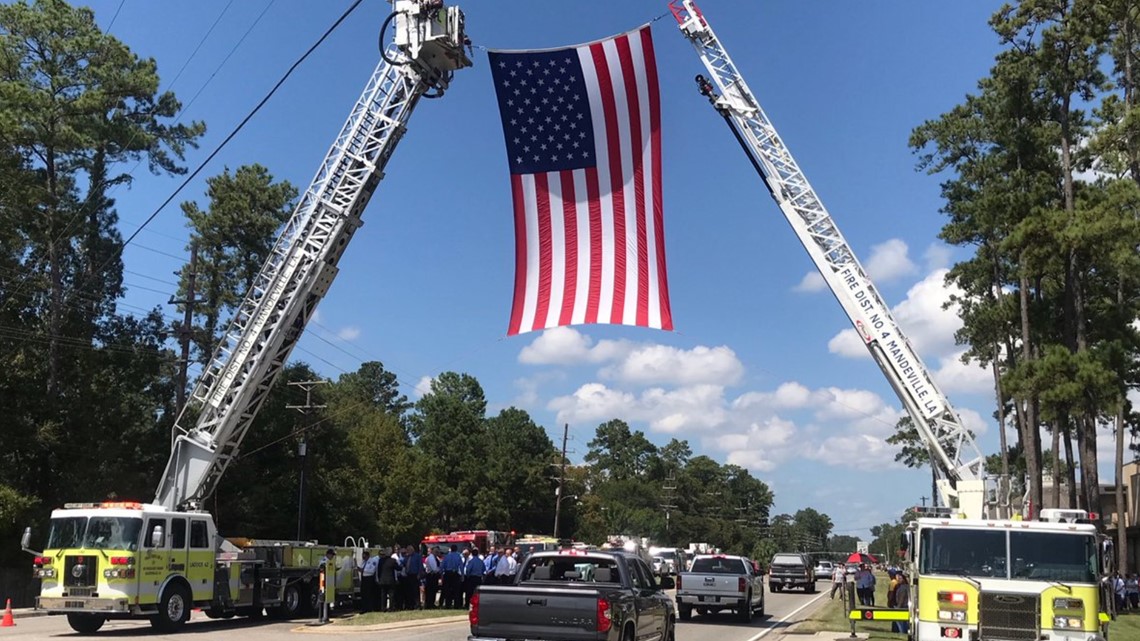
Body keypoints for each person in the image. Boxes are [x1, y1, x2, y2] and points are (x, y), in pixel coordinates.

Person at [441, 544, 465, 608]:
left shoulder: (446, 556)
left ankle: (448, 604)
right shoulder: (458, 556)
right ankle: (456, 605)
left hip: (447, 574)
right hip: (455, 574)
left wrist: (441, 575)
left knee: (447, 589)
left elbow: (442, 566)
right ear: (456, 549)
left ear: (451, 549)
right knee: (456, 590)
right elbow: (461, 566)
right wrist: (462, 575)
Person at [377, 547, 400, 612]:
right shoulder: (392, 560)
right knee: (391, 595)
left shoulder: (381, 560)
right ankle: (391, 608)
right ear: (390, 553)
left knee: (383, 595)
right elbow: (398, 568)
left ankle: (383, 608)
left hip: (382, 580)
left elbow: (379, 570)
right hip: (390, 580)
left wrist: (379, 578)